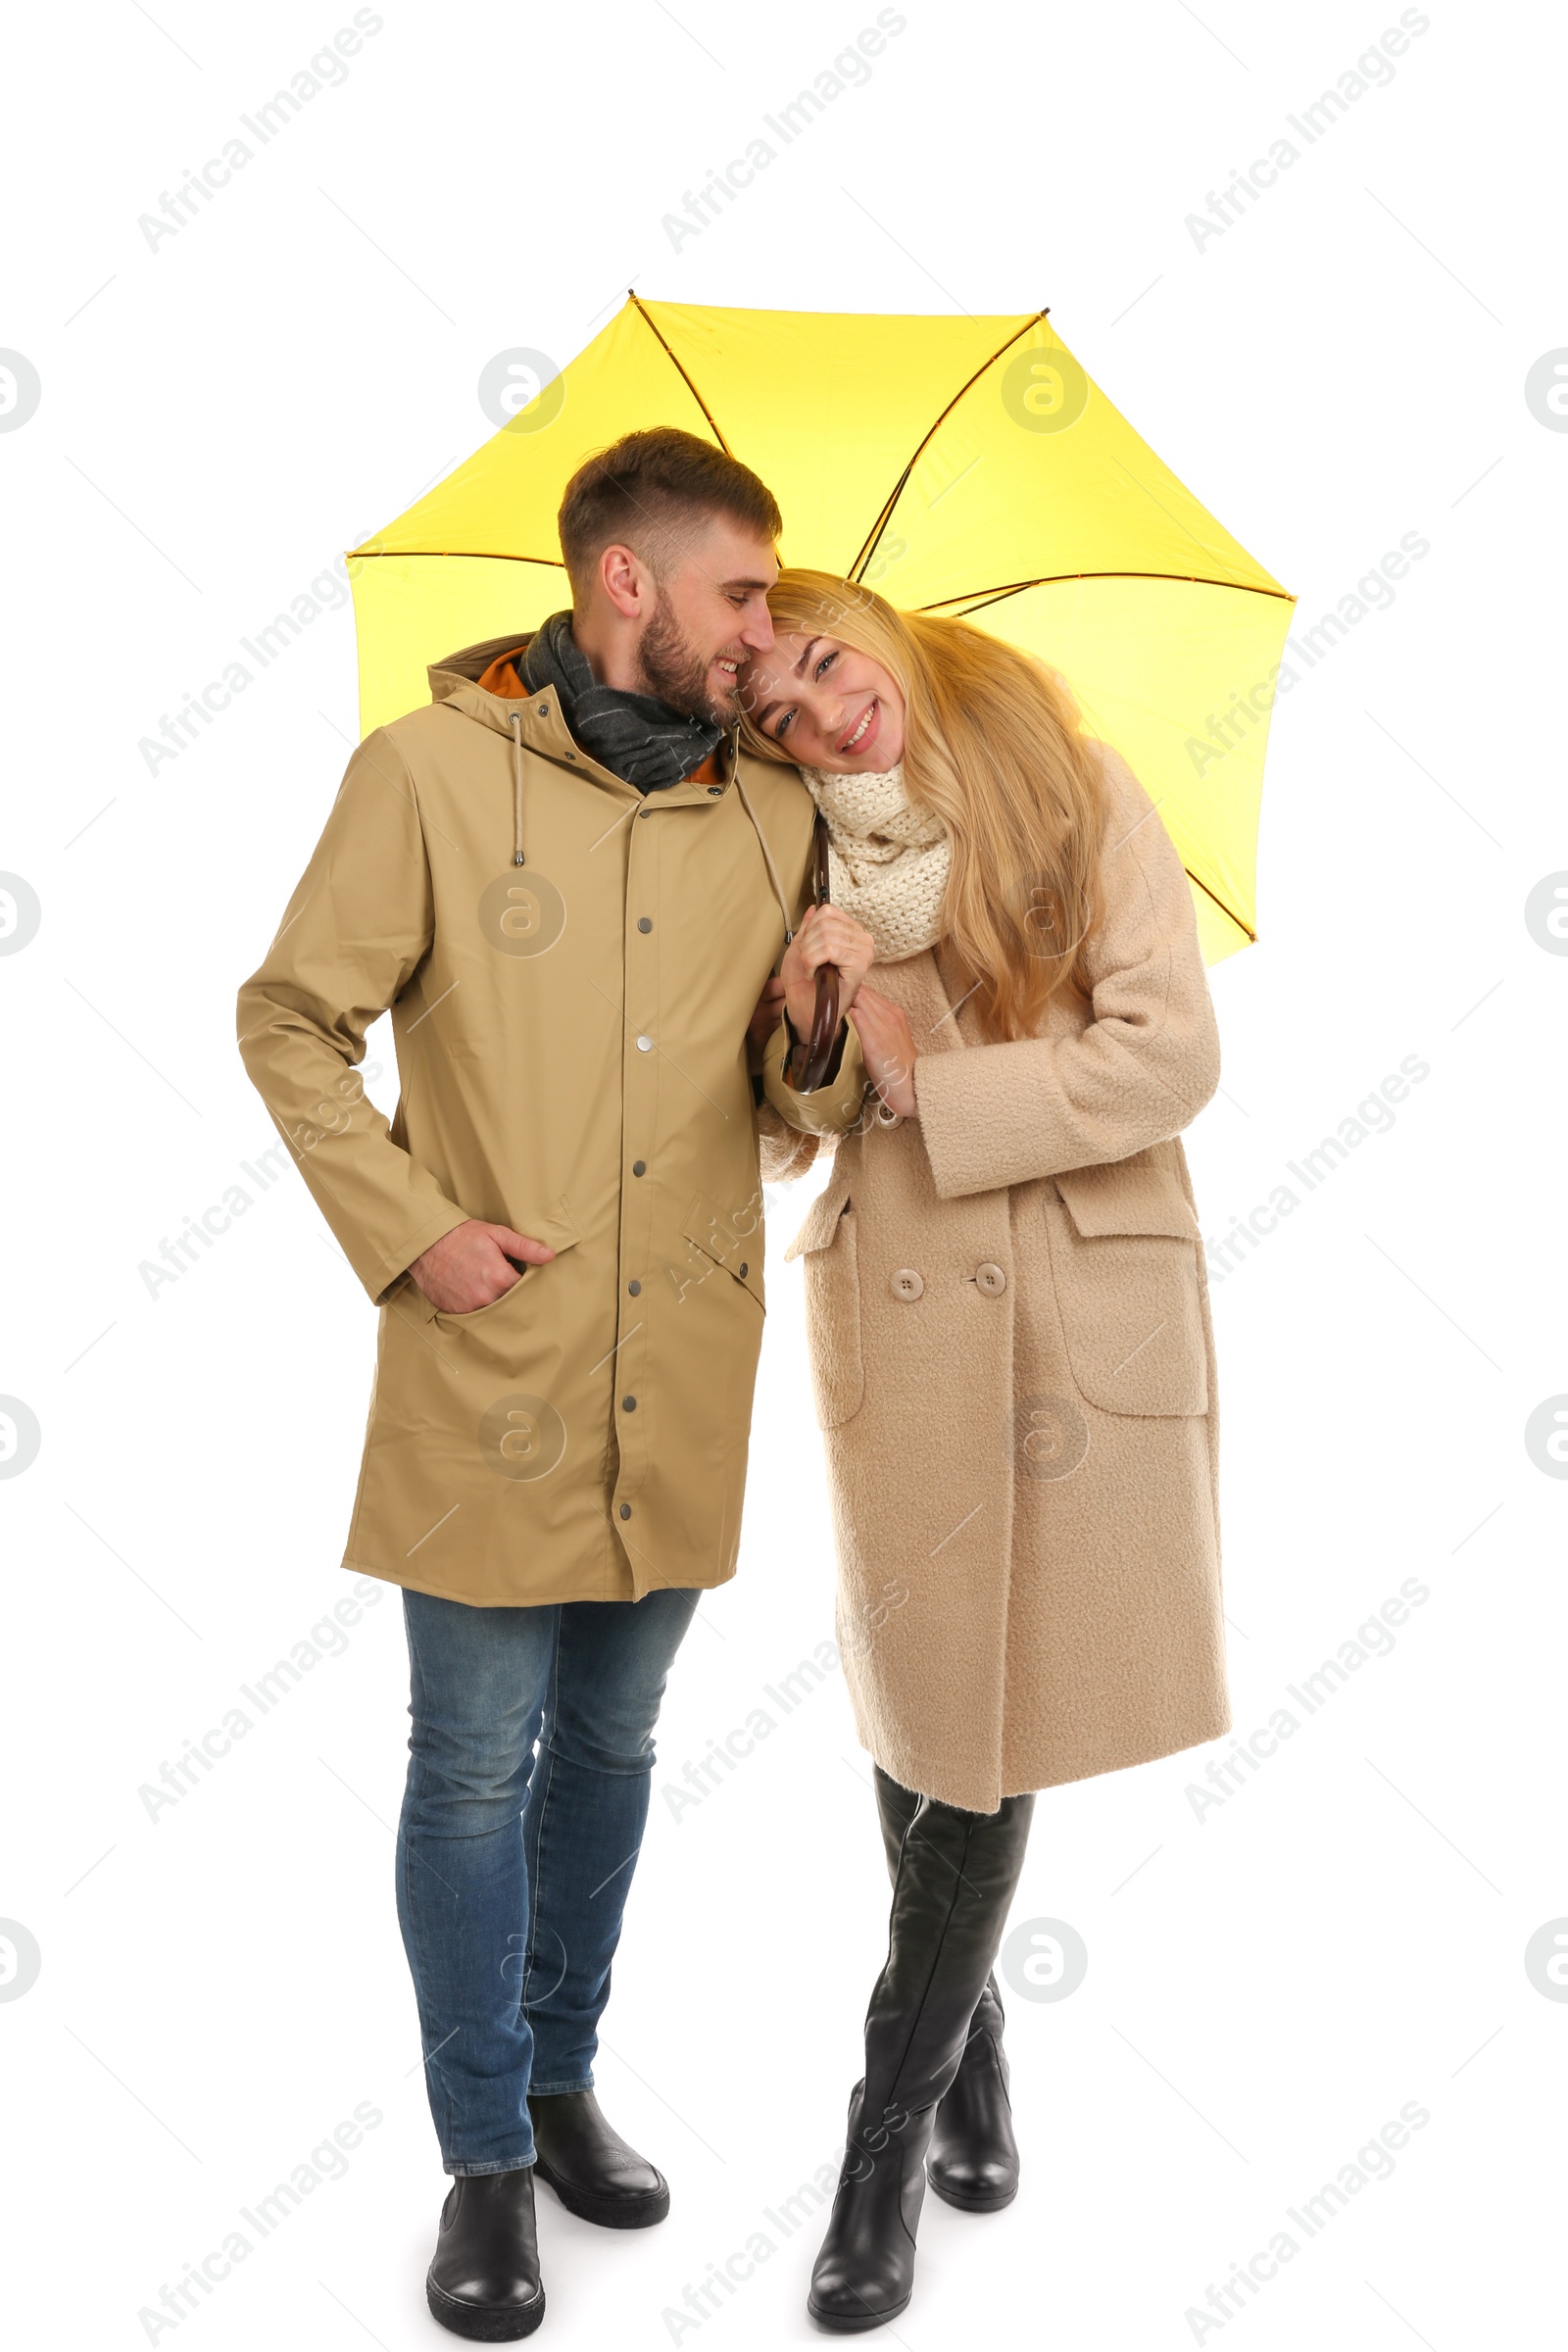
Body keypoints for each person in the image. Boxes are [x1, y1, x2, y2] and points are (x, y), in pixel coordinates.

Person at [235, 442, 870, 2343]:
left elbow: (783, 1112)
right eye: (743, 597)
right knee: (469, 1765)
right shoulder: (424, 778)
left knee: (608, 1756)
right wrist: (412, 1229)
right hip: (490, 1366)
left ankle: (561, 2074)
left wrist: (823, 1039)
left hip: (679, 1364)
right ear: (622, 583)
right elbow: (287, 1018)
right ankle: (481, 2159)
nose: (769, 635)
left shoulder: (777, 808)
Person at [738, 570, 1231, 2333]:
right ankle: (974, 2047)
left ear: (882, 627)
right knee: (940, 1703)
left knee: (991, 1717)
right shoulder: (791, 858)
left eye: (821, 660)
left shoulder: (1071, 787)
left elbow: (1168, 1058)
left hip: (1071, 1319)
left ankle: (882, 2129)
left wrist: (931, 1084)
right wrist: (815, 1019)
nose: (817, 712)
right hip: (898, 1313)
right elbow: (782, 1128)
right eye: (776, 712)